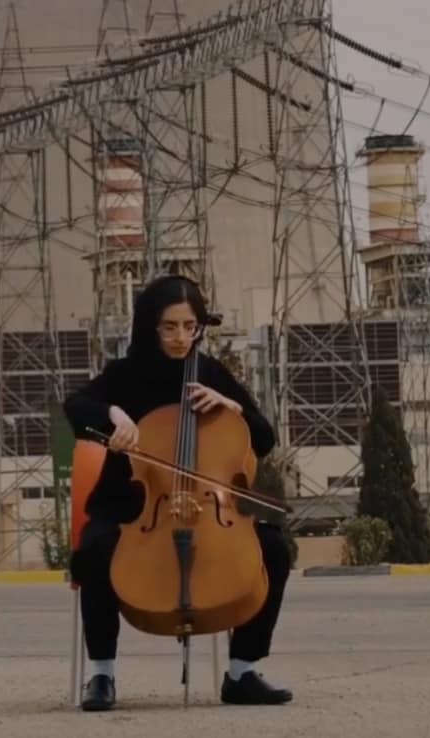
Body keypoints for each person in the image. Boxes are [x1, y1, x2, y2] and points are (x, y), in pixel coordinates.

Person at [64, 275, 294, 712]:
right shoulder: (126, 374)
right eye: (170, 327)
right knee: (96, 550)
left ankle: (242, 672)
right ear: (150, 326)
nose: (181, 337)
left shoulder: (208, 373)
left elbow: (263, 439)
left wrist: (233, 408)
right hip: (134, 508)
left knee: (273, 550)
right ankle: (102, 675)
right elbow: (77, 407)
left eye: (190, 327)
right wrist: (113, 415)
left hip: (210, 515)